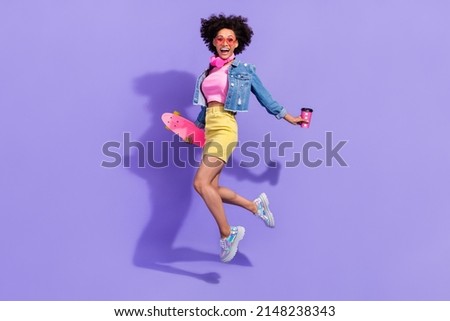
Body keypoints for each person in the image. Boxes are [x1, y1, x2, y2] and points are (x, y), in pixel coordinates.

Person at [192, 14, 307, 263]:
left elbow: (264, 96)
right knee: (212, 188)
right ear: (213, 41)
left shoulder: (243, 71)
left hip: (225, 127)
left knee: (200, 183)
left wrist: (289, 117)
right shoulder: (209, 71)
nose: (224, 43)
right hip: (211, 128)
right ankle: (255, 206)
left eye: (230, 39)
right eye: (220, 38)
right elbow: (207, 107)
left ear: (236, 43)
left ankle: (228, 233)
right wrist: (194, 131)